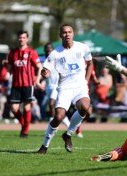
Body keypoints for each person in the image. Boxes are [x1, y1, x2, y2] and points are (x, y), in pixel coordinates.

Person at [37, 24, 93, 154]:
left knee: (85, 107)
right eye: (64, 32)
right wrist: (45, 73)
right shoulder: (55, 53)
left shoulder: (83, 47)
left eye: (70, 32)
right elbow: (46, 70)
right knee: (59, 116)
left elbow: (90, 63)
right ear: (60, 35)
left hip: (80, 86)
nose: (67, 34)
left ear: (73, 33)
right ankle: (44, 146)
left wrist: (86, 80)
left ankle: (68, 134)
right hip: (64, 87)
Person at [7, 30, 44, 138]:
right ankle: (24, 124)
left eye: (23, 37)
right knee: (14, 108)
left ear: (26, 39)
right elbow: (10, 67)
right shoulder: (12, 53)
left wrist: (37, 80)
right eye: (20, 37)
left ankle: (25, 131)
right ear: (18, 38)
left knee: (27, 107)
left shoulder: (32, 52)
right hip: (15, 84)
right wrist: (7, 75)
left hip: (28, 84)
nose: (21, 39)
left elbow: (39, 67)